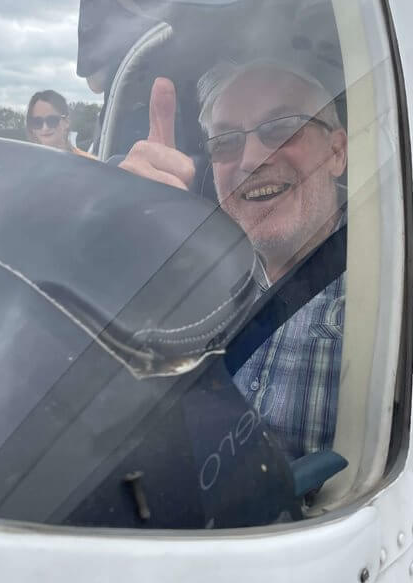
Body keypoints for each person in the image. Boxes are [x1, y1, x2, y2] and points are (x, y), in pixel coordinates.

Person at [119, 59, 348, 460]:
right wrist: (120, 243)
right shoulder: (188, 273)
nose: (251, 160)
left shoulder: (401, 275)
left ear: (337, 151)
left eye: (282, 128)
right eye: (225, 143)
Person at [26, 90, 92, 156]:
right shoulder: (23, 163)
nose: (45, 128)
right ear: (32, 128)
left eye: (52, 120)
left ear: (66, 122)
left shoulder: (88, 163)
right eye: (37, 122)